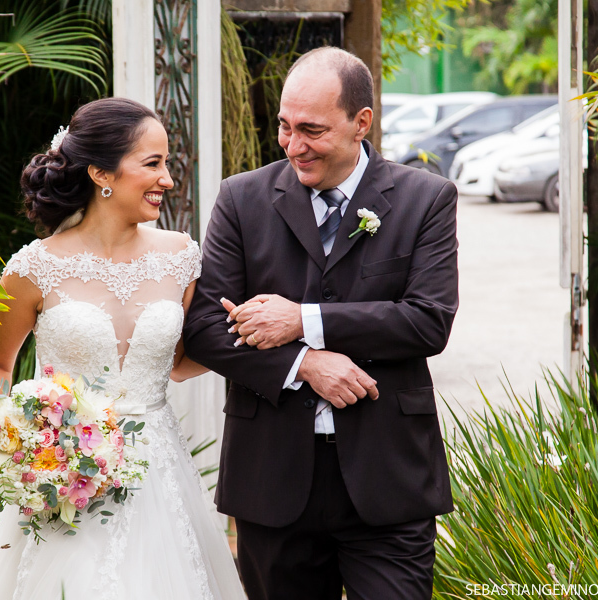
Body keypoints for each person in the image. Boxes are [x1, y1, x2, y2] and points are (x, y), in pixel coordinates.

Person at [183, 47, 459, 600]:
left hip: (389, 480)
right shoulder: (242, 199)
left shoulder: (426, 199)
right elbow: (208, 328)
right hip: (272, 482)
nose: (293, 145)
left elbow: (428, 321)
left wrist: (302, 321)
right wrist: (305, 364)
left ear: (362, 123)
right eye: (285, 127)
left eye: (311, 129)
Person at [0, 97, 246, 600]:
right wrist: (16, 453)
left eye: (167, 163)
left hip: (159, 477)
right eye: (153, 164)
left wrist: (246, 332)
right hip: (63, 482)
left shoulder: (182, 257)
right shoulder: (34, 268)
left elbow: (183, 364)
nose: (167, 178)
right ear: (102, 173)